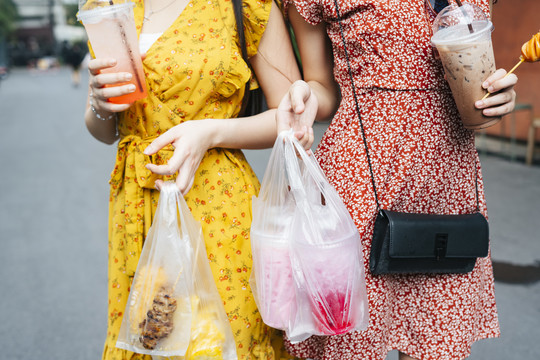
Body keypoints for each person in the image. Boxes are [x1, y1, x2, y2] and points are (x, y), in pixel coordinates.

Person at [276, 0, 517, 359]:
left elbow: (475, 79)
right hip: (361, 182)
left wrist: (498, 97)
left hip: (449, 188)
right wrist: (308, 97)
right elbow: (322, 87)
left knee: (439, 346)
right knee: (352, 346)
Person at [84, 0, 311, 359]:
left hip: (218, 205)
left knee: (221, 342)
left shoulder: (245, 5)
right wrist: (98, 103)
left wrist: (210, 132)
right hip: (137, 210)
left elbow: (290, 116)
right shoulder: (109, 6)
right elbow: (105, 130)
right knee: (149, 337)